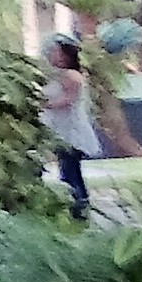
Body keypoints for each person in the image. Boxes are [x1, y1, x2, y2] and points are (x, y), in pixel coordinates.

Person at [41, 35, 108, 221]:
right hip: (63, 129)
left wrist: (42, 104)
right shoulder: (60, 75)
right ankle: (76, 205)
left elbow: (67, 100)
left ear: (65, 55)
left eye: (55, 52)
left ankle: (80, 204)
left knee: (71, 169)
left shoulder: (71, 76)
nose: (51, 56)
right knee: (68, 168)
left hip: (72, 131)